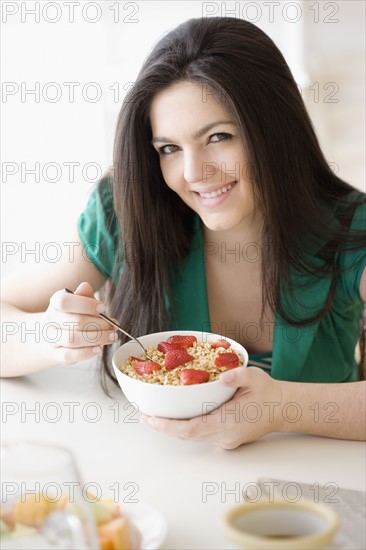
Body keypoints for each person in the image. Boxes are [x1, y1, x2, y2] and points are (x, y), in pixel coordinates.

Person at [1, 17, 365, 448]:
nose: (193, 174)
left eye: (218, 137)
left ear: (276, 131)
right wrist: (49, 335)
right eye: (169, 149)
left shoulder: (350, 232)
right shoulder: (129, 211)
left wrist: (281, 407)